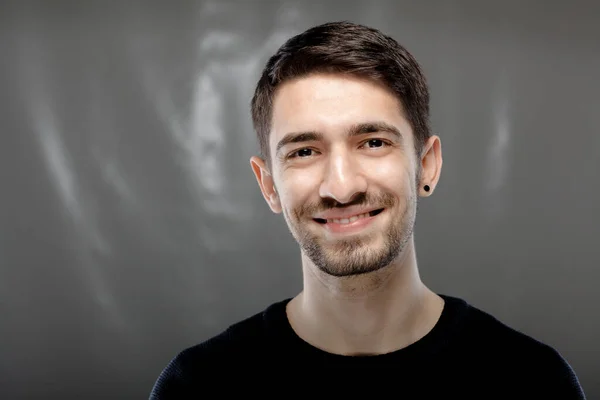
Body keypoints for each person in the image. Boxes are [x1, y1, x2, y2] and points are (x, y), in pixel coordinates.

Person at [150, 21, 585, 398]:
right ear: (268, 185)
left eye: (373, 143)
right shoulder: (198, 386)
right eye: (304, 151)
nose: (341, 187)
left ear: (426, 165)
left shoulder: (532, 381)